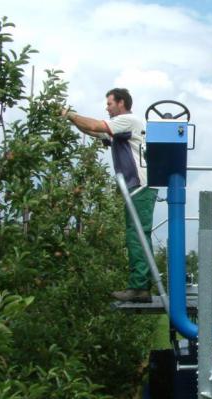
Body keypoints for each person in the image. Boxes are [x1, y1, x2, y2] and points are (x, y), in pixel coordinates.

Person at [62, 88, 156, 303]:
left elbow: (96, 125)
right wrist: (72, 119)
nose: (107, 107)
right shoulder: (121, 128)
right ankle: (141, 286)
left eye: (110, 104)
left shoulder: (128, 120)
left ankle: (140, 287)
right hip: (136, 187)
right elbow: (93, 132)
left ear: (121, 103)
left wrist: (69, 114)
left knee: (137, 235)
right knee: (138, 234)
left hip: (140, 186)